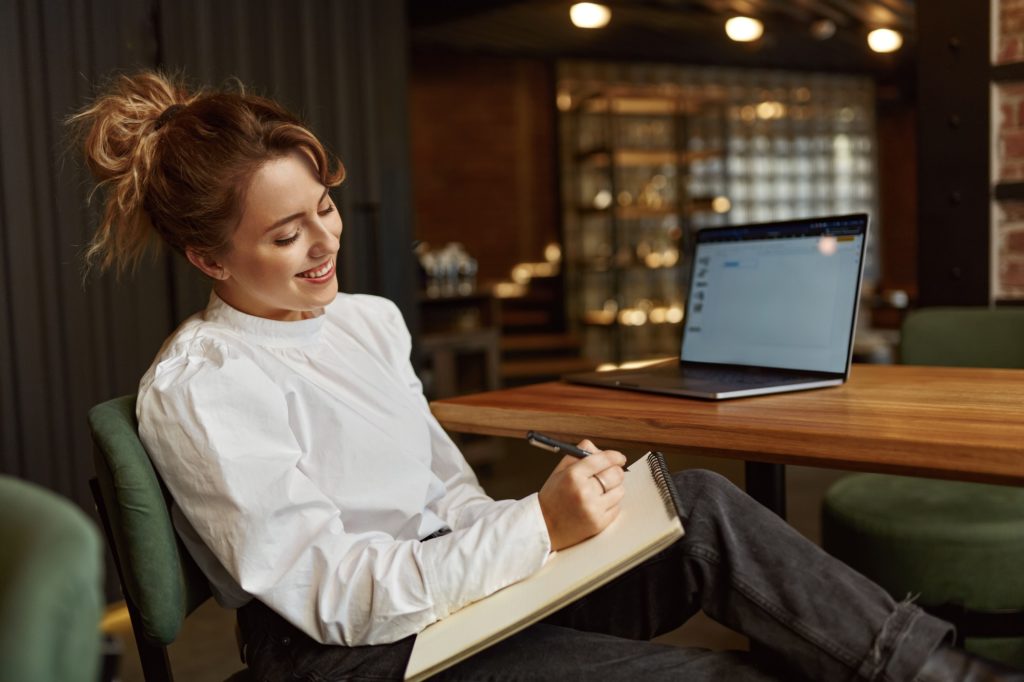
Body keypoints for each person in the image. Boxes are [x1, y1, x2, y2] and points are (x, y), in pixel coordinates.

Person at [70, 71, 1020, 682]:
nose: (326, 243)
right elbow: (341, 599)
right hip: (355, 655)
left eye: (325, 208)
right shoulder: (203, 387)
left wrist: (562, 516)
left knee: (694, 504)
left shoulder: (366, 322)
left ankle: (952, 676)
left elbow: (444, 488)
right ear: (207, 259)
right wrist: (538, 528)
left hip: (452, 593)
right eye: (286, 235)